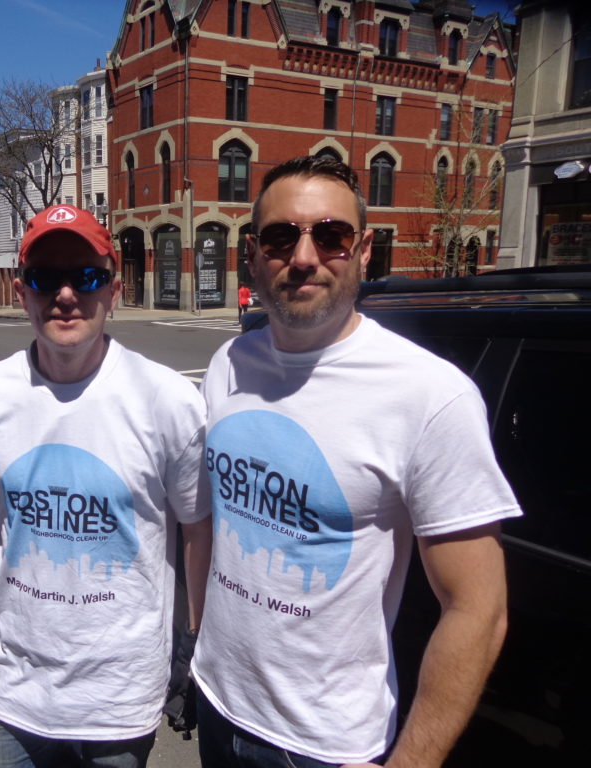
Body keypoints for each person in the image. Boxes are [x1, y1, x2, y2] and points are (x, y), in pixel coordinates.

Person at [191, 156, 522, 768]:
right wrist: (194, 648)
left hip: (324, 746)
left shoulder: (429, 396)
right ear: (253, 253)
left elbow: (478, 607)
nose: (305, 257)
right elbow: (212, 528)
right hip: (218, 704)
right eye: (281, 237)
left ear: (364, 249)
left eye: (332, 235)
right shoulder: (229, 364)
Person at [0, 204, 213, 768]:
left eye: (87, 277)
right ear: (22, 291)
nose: (66, 294)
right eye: (47, 278)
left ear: (114, 291)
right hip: (9, 694)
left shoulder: (167, 399)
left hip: (118, 699)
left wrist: (193, 642)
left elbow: (197, 528)